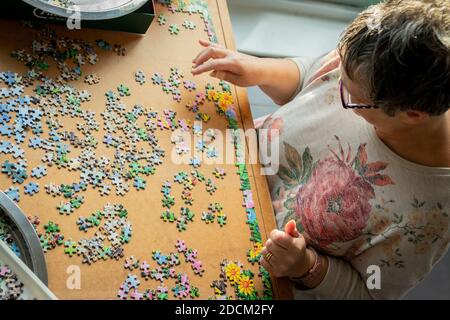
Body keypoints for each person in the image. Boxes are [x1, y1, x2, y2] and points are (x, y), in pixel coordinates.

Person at [192, 0, 450, 299]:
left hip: (244, 264)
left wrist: (306, 266)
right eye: (340, 69)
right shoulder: (370, 62)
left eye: (350, 94)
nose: (336, 85)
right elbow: (312, 75)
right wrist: (260, 69)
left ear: (413, 115)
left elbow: (368, 293)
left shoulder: (431, 217)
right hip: (218, 170)